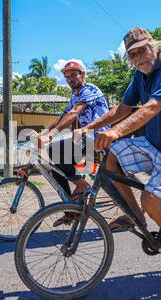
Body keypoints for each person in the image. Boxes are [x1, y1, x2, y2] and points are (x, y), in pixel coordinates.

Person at [75, 27, 161, 286]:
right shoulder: (139, 75)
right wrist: (87, 129)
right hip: (154, 144)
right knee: (111, 156)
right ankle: (137, 216)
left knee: (151, 200)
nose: (138, 58)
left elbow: (153, 106)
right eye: (132, 55)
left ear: (154, 47)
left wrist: (116, 132)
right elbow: (122, 109)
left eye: (142, 50)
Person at [34, 60, 111, 217]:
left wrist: (51, 135)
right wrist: (43, 133)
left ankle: (81, 185)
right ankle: (70, 208)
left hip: (97, 136)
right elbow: (62, 117)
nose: (70, 79)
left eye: (73, 74)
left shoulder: (89, 89)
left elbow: (73, 113)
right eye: (67, 76)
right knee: (55, 166)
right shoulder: (74, 96)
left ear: (83, 75)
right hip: (85, 138)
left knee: (55, 150)